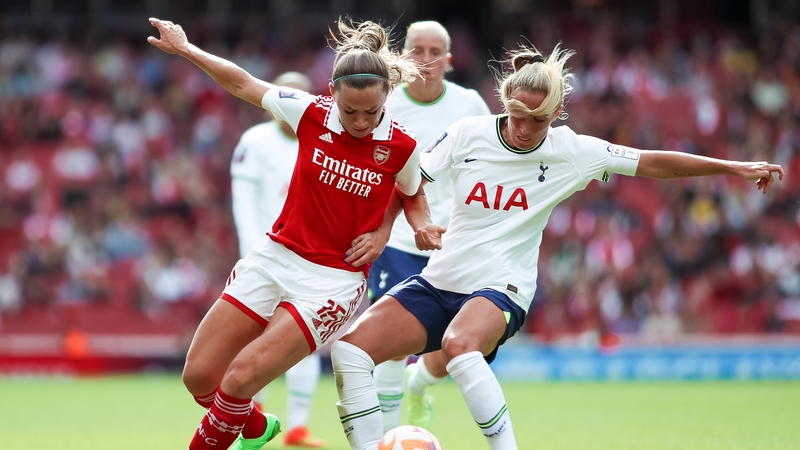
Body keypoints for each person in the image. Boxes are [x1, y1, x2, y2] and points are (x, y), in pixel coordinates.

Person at [331, 43, 784, 450]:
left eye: (538, 120)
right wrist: (403, 226)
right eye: (517, 116)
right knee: (349, 350)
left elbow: (653, 164)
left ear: (557, 113)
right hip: (441, 279)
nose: (525, 129)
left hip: (501, 286)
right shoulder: (468, 133)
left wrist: (732, 166)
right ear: (504, 102)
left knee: (460, 345)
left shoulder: (572, 152)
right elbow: (408, 183)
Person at [147, 17, 443, 450]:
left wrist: (397, 231)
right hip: (275, 256)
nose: (361, 121)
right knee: (199, 376)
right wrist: (188, 49)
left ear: (386, 98)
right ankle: (253, 427)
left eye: (371, 112)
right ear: (333, 95)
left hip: (333, 280)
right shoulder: (308, 112)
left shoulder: (402, 146)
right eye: (350, 111)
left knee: (240, 377)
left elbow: (412, 193)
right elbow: (242, 83)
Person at [367, 20, 490, 434]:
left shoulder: (470, 104)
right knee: (388, 348)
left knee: (455, 349)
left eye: (434, 51)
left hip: (453, 244)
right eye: (416, 50)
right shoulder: (384, 104)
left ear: (449, 60)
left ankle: (418, 384)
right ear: (403, 57)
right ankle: (387, 439)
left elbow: (490, 165)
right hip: (398, 240)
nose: (425, 59)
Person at [230, 71, 325, 448]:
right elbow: (244, 204)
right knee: (255, 344)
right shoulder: (254, 143)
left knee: (303, 340)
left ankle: (297, 428)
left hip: (309, 260)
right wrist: (251, 253)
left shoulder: (321, 142)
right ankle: (252, 425)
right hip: (265, 258)